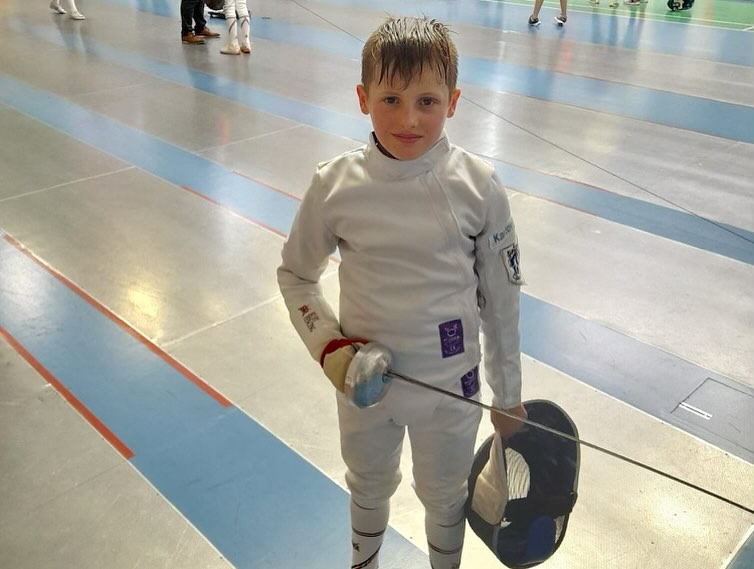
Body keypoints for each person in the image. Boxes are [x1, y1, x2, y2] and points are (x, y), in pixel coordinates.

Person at [277, 16, 527, 569]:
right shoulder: (334, 184)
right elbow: (295, 275)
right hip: (366, 387)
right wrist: (331, 350)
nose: (408, 119)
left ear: (453, 102)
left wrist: (507, 394)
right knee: (367, 484)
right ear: (362, 98)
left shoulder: (479, 186)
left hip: (452, 388)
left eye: (427, 101)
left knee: (445, 494)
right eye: (390, 99)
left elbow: (502, 302)